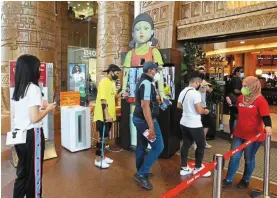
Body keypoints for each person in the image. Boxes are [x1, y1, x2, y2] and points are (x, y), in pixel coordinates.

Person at [12, 54, 56, 198]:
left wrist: (42, 105)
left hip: (19, 134)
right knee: (35, 173)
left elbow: (25, 113)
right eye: (38, 67)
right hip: (32, 135)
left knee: (22, 173)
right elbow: (34, 118)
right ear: (31, 69)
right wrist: (48, 109)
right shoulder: (33, 89)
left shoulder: (19, 88)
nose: (40, 70)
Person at [223, 76, 273, 189]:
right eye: (243, 85)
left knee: (249, 158)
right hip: (239, 134)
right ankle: (228, 179)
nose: (243, 88)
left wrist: (268, 126)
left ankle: (245, 179)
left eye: (245, 86)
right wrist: (231, 104)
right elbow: (237, 112)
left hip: (253, 136)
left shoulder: (260, 101)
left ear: (253, 87)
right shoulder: (241, 98)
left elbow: (265, 116)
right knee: (234, 157)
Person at [133, 62, 164, 190]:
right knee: (158, 146)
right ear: (150, 70)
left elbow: (147, 103)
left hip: (139, 119)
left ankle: (140, 171)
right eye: (156, 70)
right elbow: (145, 106)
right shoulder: (146, 83)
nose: (157, 73)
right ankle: (141, 173)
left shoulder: (144, 82)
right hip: (145, 120)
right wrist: (151, 126)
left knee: (141, 145)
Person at [177, 71, 211, 177]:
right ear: (196, 82)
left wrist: (188, 109)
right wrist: (206, 111)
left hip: (184, 122)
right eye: (199, 84)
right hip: (194, 124)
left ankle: (184, 167)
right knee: (201, 144)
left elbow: (178, 106)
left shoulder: (183, 91)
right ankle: (198, 167)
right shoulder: (195, 93)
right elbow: (199, 110)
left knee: (186, 143)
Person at [93, 64, 122, 168]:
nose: (118, 75)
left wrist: (123, 93)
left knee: (105, 137)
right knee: (101, 137)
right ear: (111, 72)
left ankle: (103, 157)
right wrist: (107, 114)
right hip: (103, 115)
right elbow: (103, 100)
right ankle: (97, 159)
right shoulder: (104, 82)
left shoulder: (112, 82)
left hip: (109, 115)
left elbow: (114, 95)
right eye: (117, 73)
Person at [228, 67, 243, 138]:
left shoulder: (232, 78)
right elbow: (236, 90)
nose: (242, 73)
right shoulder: (237, 79)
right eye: (241, 71)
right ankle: (235, 134)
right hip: (235, 99)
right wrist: (245, 92)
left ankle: (232, 133)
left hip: (231, 98)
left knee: (232, 117)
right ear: (237, 72)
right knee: (236, 117)